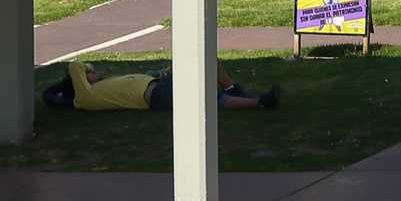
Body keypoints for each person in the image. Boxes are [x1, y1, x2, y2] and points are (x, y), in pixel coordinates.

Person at [44, 59, 280, 113]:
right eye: (89, 72)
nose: (91, 70)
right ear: (80, 82)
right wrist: (80, 73)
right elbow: (74, 65)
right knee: (206, 98)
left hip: (163, 82)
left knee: (207, 58)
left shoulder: (97, 88)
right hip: (158, 95)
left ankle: (231, 88)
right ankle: (258, 102)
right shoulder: (85, 98)